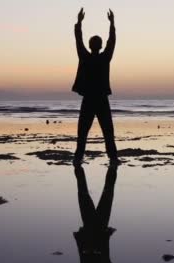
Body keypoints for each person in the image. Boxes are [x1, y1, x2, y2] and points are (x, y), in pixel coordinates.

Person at [72, 8, 119, 165]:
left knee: (83, 132)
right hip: (101, 99)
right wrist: (112, 24)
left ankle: (78, 158)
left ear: (90, 45)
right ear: (99, 46)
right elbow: (111, 42)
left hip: (89, 99)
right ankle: (113, 158)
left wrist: (79, 22)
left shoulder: (85, 56)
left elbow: (78, 40)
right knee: (108, 132)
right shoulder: (105, 58)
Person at [73, 165, 118, 263]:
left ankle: (113, 167)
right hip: (93, 222)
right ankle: (78, 166)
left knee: (106, 191)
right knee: (84, 192)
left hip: (98, 222)